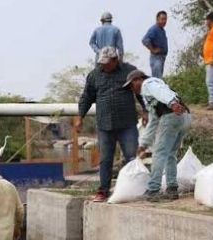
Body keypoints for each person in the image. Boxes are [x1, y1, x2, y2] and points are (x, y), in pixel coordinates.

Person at [76, 46, 147, 203]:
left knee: (131, 157)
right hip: (104, 125)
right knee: (105, 159)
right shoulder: (94, 75)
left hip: (127, 123)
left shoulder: (129, 71)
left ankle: (135, 189)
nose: (103, 65)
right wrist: (80, 116)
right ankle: (103, 191)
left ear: (116, 60)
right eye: (101, 63)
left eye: (107, 63)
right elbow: (86, 97)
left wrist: (145, 110)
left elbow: (140, 90)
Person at [124, 70, 191, 202]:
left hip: (172, 115)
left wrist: (172, 103)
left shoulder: (148, 84)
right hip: (185, 117)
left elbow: (161, 92)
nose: (132, 89)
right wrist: (143, 144)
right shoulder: (151, 99)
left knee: (159, 153)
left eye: (131, 85)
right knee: (170, 154)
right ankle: (172, 189)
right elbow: (153, 121)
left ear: (138, 79)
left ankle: (153, 190)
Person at [142, 11, 169, 78]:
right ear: (157, 19)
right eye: (162, 19)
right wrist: (153, 49)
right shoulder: (154, 29)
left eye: (165, 19)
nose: (164, 21)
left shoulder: (162, 30)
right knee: (157, 79)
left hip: (161, 58)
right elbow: (145, 40)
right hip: (156, 58)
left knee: (159, 78)